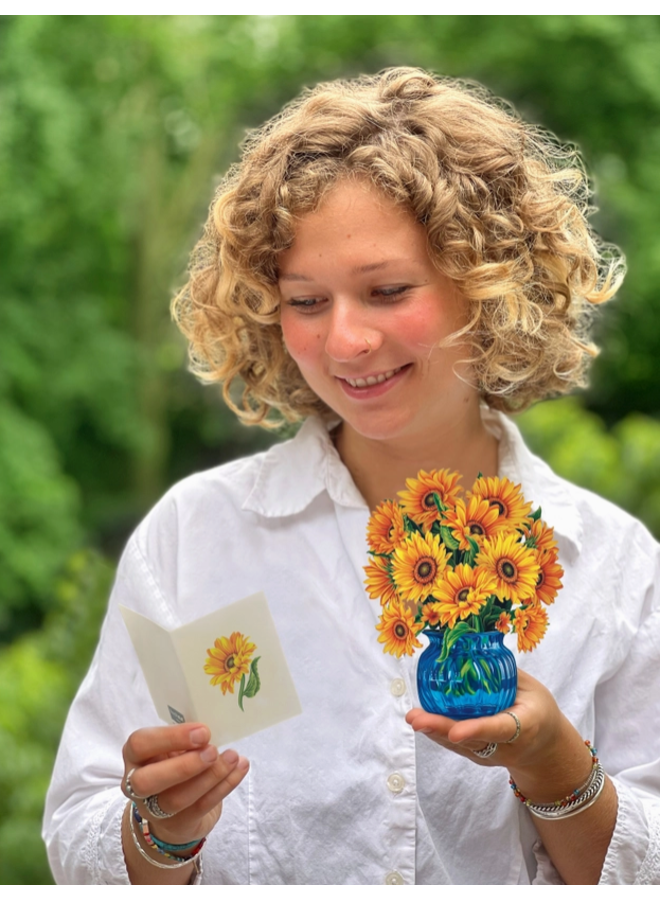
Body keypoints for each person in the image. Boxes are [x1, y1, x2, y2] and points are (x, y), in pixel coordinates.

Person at [43, 68, 660, 885]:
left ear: (491, 285)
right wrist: (162, 832)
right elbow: (82, 833)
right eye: (305, 301)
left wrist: (557, 771)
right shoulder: (197, 538)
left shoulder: (611, 564)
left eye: (387, 291)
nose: (345, 342)